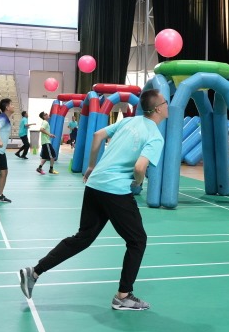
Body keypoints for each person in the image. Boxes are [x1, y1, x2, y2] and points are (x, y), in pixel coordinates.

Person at [18, 89, 168, 311]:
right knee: (137, 241)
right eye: (165, 102)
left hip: (95, 184)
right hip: (115, 190)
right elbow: (140, 167)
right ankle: (123, 296)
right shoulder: (155, 136)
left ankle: (35, 272)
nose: (167, 105)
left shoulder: (130, 121)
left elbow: (98, 135)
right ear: (157, 109)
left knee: (84, 237)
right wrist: (137, 183)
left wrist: (91, 166)